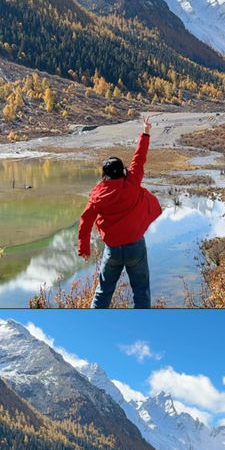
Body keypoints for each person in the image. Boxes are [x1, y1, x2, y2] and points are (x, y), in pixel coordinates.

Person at [78, 117, 162, 309]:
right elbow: (139, 157)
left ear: (105, 175)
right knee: (141, 290)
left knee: (103, 292)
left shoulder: (97, 195)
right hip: (135, 246)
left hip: (112, 249)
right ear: (122, 171)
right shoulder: (132, 182)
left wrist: (84, 248)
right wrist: (145, 132)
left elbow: (85, 221)